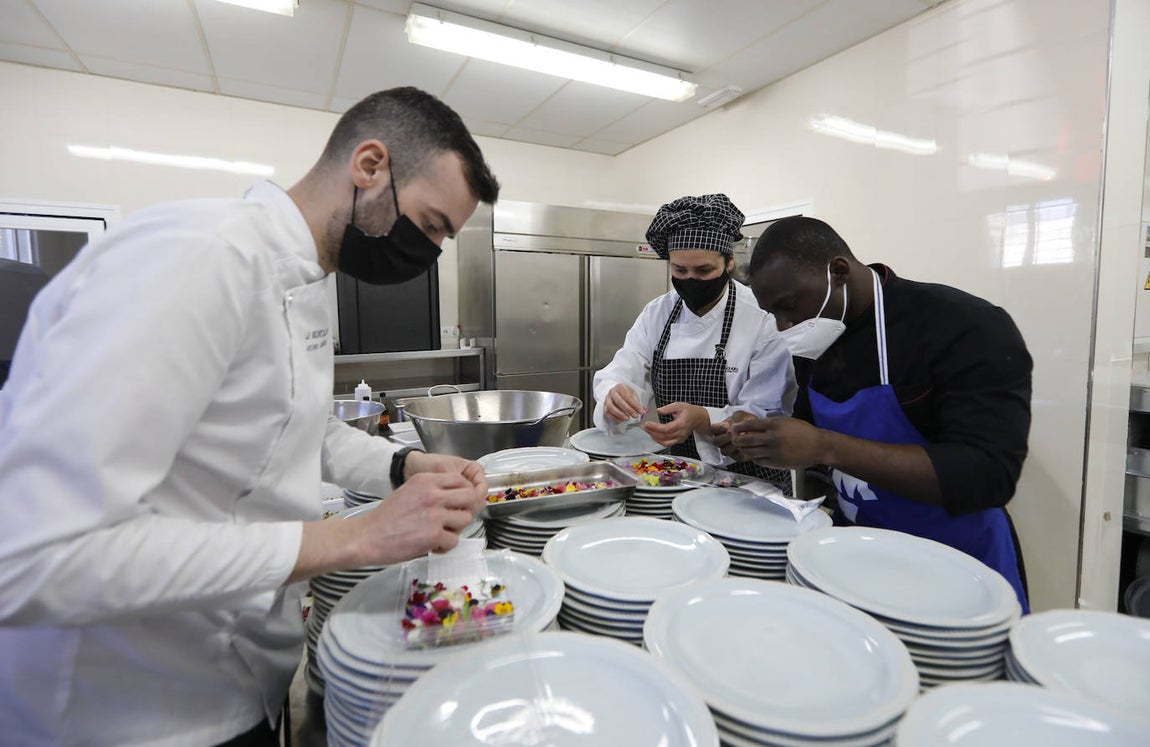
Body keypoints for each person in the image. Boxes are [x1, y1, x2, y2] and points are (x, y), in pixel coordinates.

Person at [0, 87, 501, 746]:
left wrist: (402, 465)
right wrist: (353, 537)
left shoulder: (309, 276)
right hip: (124, 716)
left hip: (242, 681)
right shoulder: (198, 256)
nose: (430, 250)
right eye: (432, 224)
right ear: (370, 165)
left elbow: (299, 422)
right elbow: (35, 556)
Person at [715, 216, 1032, 612]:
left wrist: (825, 447)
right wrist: (762, 440)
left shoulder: (964, 326)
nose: (785, 326)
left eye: (789, 307)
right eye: (773, 314)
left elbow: (988, 474)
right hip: (860, 553)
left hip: (957, 567)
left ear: (839, 271)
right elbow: (808, 426)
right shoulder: (819, 337)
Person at [592, 194, 796, 485]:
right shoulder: (657, 313)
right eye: (679, 270)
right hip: (677, 472)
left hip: (751, 476)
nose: (690, 280)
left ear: (728, 263)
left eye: (703, 270)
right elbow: (624, 368)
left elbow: (769, 412)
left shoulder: (762, 317)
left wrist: (703, 418)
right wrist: (614, 394)